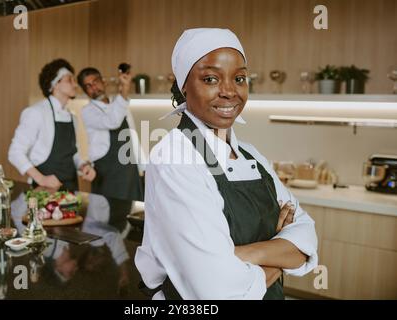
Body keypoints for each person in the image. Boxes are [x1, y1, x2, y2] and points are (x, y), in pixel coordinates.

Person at [135, 28, 318, 300]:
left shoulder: (251, 154)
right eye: (211, 78)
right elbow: (217, 290)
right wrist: (278, 252)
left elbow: (307, 240)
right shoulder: (175, 158)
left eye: (240, 78)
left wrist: (241, 255)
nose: (230, 91)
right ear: (184, 84)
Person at [8, 59, 95, 191]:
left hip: (71, 189)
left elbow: (73, 153)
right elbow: (15, 152)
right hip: (44, 190)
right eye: (69, 80)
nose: (75, 84)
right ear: (55, 84)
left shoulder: (72, 117)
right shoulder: (36, 113)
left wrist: (83, 166)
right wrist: (42, 179)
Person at [77, 67, 144, 201]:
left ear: (104, 81)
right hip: (107, 175)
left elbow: (132, 135)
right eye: (88, 86)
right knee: (110, 217)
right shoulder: (88, 111)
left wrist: (143, 167)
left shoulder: (118, 103)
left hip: (131, 172)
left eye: (95, 81)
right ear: (85, 91)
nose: (94, 87)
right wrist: (124, 90)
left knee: (135, 214)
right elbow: (112, 121)